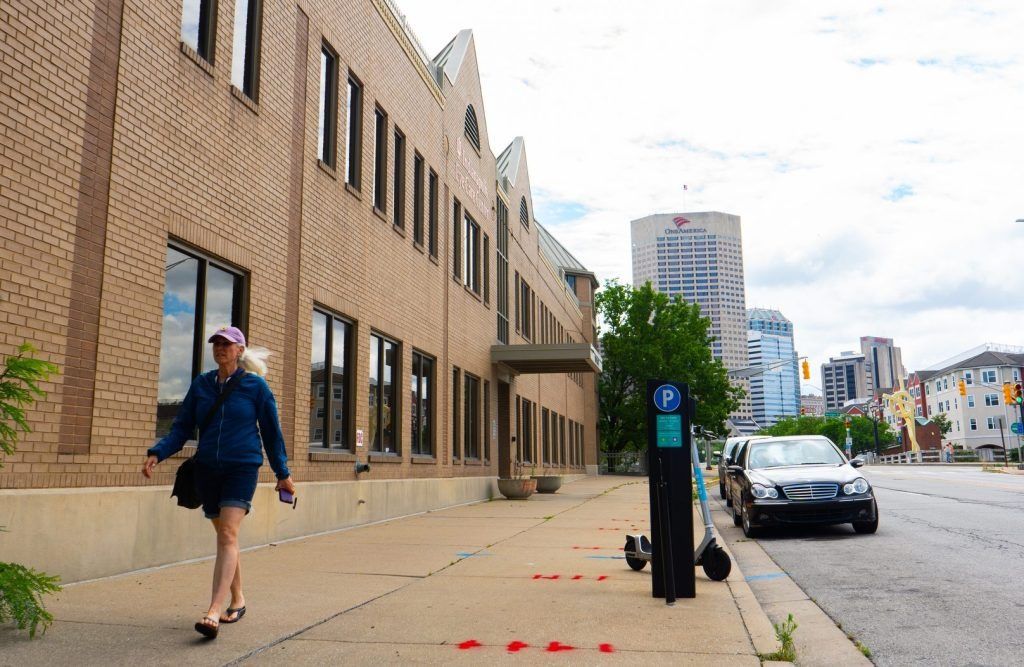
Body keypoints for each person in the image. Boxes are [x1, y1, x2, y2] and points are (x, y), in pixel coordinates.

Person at [141, 326, 295, 639]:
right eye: (217, 343)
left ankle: (213, 610)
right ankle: (238, 600)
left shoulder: (256, 387)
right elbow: (182, 426)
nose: (220, 348)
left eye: (227, 344)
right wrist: (158, 453)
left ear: (240, 350)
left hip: (242, 467)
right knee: (227, 539)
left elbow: (271, 433)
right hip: (208, 469)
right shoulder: (201, 384)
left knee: (227, 533)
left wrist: (282, 473)